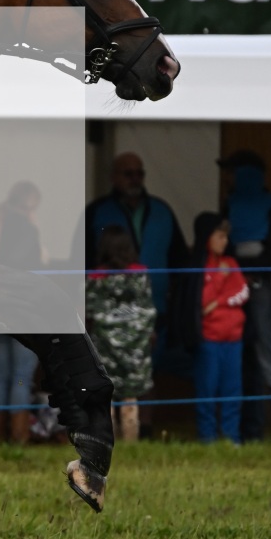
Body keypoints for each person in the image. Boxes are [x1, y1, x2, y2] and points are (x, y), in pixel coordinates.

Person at [70, 152, 189, 337]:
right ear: (113, 177)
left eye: (139, 173)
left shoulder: (162, 210)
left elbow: (180, 259)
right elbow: (79, 261)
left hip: (156, 311)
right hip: (111, 315)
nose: (135, 179)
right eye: (128, 174)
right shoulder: (97, 211)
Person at [220, 150, 271, 441]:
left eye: (231, 172)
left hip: (262, 289)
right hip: (237, 287)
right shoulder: (230, 206)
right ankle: (251, 431)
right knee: (245, 361)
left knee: (268, 358)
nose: (226, 178)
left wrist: (246, 268)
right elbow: (225, 248)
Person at [82, 227, 156, 444]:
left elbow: (89, 311)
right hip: (136, 347)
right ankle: (131, 444)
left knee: (108, 396)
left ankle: (109, 443)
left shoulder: (96, 277)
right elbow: (148, 309)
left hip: (104, 345)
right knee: (131, 395)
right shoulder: (140, 274)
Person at [0, 182, 45, 443]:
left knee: (1, 375)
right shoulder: (27, 231)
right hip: (22, 309)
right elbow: (38, 264)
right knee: (21, 376)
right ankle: (19, 437)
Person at [192, 213, 248, 443]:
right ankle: (208, 438)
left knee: (232, 391)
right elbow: (202, 303)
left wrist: (220, 301)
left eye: (226, 237)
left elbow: (243, 292)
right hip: (209, 340)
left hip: (234, 339)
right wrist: (220, 280)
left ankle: (231, 438)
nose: (225, 241)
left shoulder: (231, 263)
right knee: (207, 389)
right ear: (208, 237)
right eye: (220, 236)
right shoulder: (198, 267)